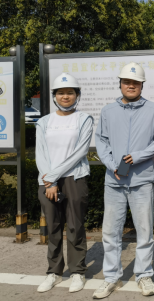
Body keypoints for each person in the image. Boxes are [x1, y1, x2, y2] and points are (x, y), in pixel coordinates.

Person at [93, 62, 154, 299]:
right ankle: (111, 277)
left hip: (142, 180)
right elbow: (101, 141)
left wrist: (138, 156)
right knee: (110, 232)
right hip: (114, 180)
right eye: (127, 82)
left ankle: (143, 275)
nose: (131, 85)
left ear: (142, 85)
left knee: (144, 231)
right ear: (120, 84)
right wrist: (112, 164)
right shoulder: (108, 111)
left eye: (136, 82)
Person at [35, 73, 93, 293]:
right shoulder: (44, 122)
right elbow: (40, 153)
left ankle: (77, 271)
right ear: (54, 96)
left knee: (75, 226)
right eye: (61, 93)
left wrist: (53, 177)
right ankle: (54, 272)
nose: (65, 96)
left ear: (77, 95)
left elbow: (80, 152)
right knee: (53, 227)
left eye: (70, 92)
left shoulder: (84, 119)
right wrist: (49, 180)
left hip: (74, 178)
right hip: (47, 179)